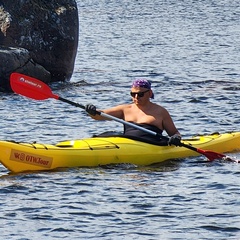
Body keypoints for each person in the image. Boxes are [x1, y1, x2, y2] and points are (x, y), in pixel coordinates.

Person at [85, 78, 181, 146]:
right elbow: (100, 115)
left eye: (140, 94)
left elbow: (175, 133)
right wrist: (92, 111)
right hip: (126, 143)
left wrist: (176, 138)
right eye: (133, 94)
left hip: (150, 145)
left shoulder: (161, 112)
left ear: (149, 93)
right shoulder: (125, 109)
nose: (136, 97)